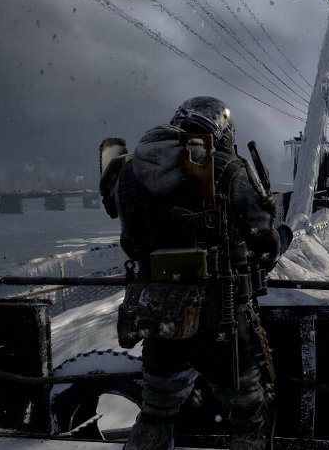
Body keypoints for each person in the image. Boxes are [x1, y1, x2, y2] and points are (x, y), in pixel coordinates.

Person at [102, 96, 280, 450]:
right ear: (222, 130)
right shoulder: (228, 168)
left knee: (155, 414)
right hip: (223, 320)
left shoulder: (128, 173)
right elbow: (265, 243)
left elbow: (129, 242)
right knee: (248, 417)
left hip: (160, 316)